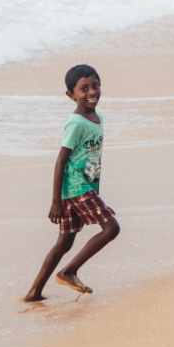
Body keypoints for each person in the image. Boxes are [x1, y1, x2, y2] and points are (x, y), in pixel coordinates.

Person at [23, 64, 120, 302]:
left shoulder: (98, 118)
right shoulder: (76, 123)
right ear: (71, 95)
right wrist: (55, 201)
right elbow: (61, 161)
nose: (91, 92)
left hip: (84, 187)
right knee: (111, 229)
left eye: (95, 86)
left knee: (64, 242)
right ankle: (68, 271)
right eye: (83, 89)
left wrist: (95, 188)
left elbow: (92, 158)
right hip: (75, 188)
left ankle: (34, 293)